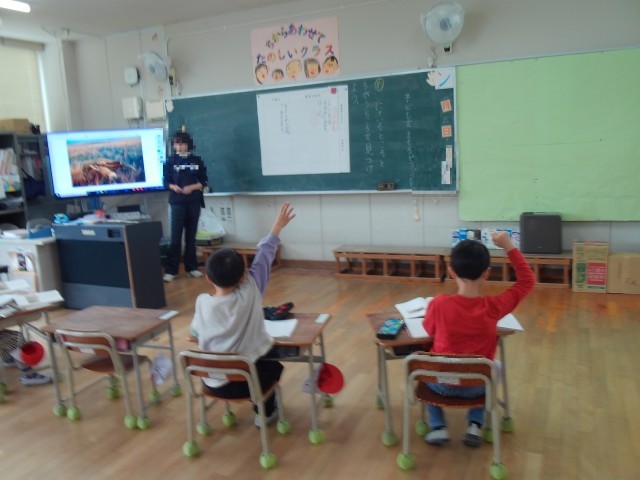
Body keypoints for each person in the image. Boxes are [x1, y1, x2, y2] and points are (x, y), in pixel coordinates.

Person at [422, 231, 535, 447]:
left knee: (424, 365)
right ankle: (475, 424)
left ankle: (438, 427)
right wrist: (508, 246)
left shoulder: (438, 303)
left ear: (451, 272)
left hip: (440, 385)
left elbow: (428, 330)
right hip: (477, 386)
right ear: (486, 274)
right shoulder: (493, 307)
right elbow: (527, 281)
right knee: (491, 368)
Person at [190, 202, 296, 425]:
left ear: (208, 278)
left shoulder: (202, 303)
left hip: (212, 382)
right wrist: (276, 228)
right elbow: (264, 258)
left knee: (250, 361)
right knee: (272, 364)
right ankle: (263, 413)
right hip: (249, 383)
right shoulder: (250, 292)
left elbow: (195, 334)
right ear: (242, 276)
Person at [163, 128, 208, 283]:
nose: (179, 147)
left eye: (182, 144)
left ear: (188, 145)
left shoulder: (197, 160)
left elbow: (203, 181)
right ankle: (171, 271)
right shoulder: (170, 161)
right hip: (176, 203)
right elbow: (165, 181)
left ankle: (192, 267)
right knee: (175, 238)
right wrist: (173, 187)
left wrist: (192, 188)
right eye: (177, 144)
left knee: (191, 237)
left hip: (194, 202)